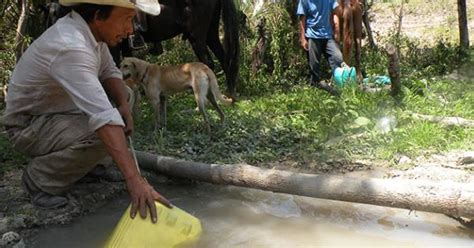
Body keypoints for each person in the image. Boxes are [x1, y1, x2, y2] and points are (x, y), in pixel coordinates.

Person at [0, 0, 169, 223]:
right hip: (29, 126)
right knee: (103, 131)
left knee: (124, 96)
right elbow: (105, 121)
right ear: (99, 15)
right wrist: (134, 180)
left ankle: (89, 167)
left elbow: (109, 71)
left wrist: (124, 107)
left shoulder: (91, 35)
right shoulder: (71, 45)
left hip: (58, 113)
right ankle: (40, 180)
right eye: (126, 19)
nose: (130, 30)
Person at [297, 0, 343, 96]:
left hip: (328, 36)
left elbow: (335, 13)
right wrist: (302, 38)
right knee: (314, 65)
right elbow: (302, 19)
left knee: (338, 58)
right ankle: (315, 86)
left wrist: (337, 30)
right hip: (312, 37)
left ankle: (338, 84)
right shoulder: (305, 1)